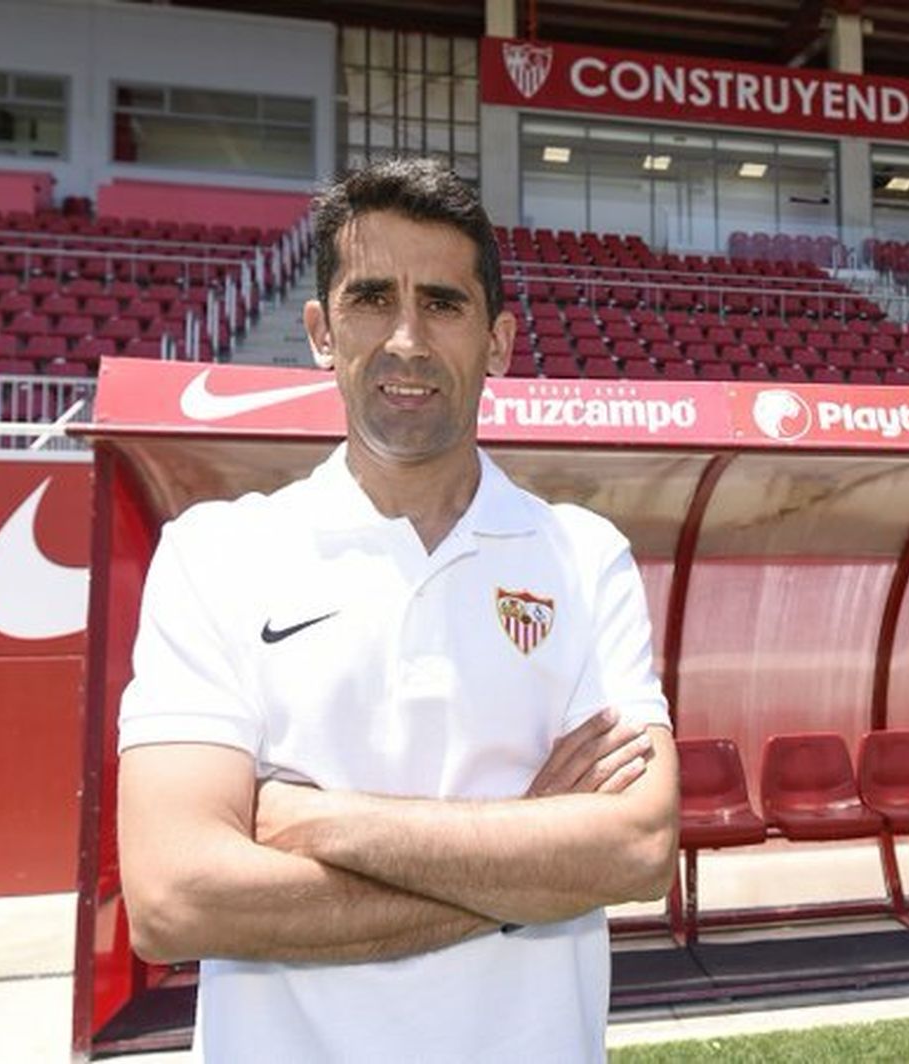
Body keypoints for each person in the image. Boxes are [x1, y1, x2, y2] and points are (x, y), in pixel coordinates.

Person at [116, 157, 679, 1062]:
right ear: (320, 332)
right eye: (372, 298)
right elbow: (175, 899)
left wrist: (316, 820)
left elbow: (638, 848)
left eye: (444, 304)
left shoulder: (583, 555)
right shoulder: (213, 553)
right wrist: (526, 863)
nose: (407, 339)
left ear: (497, 342)